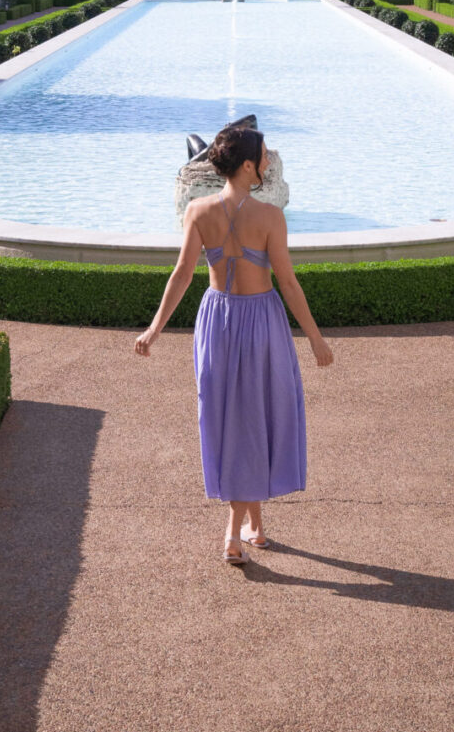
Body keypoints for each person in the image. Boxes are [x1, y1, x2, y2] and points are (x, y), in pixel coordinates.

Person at [134, 123, 333, 564]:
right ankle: (232, 533)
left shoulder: (198, 211)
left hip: (217, 322)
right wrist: (316, 339)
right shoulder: (269, 217)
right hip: (260, 319)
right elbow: (288, 282)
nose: (266, 162)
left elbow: (182, 274)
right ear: (247, 166)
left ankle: (256, 525)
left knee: (236, 418)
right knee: (256, 414)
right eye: (262, 157)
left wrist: (154, 329)